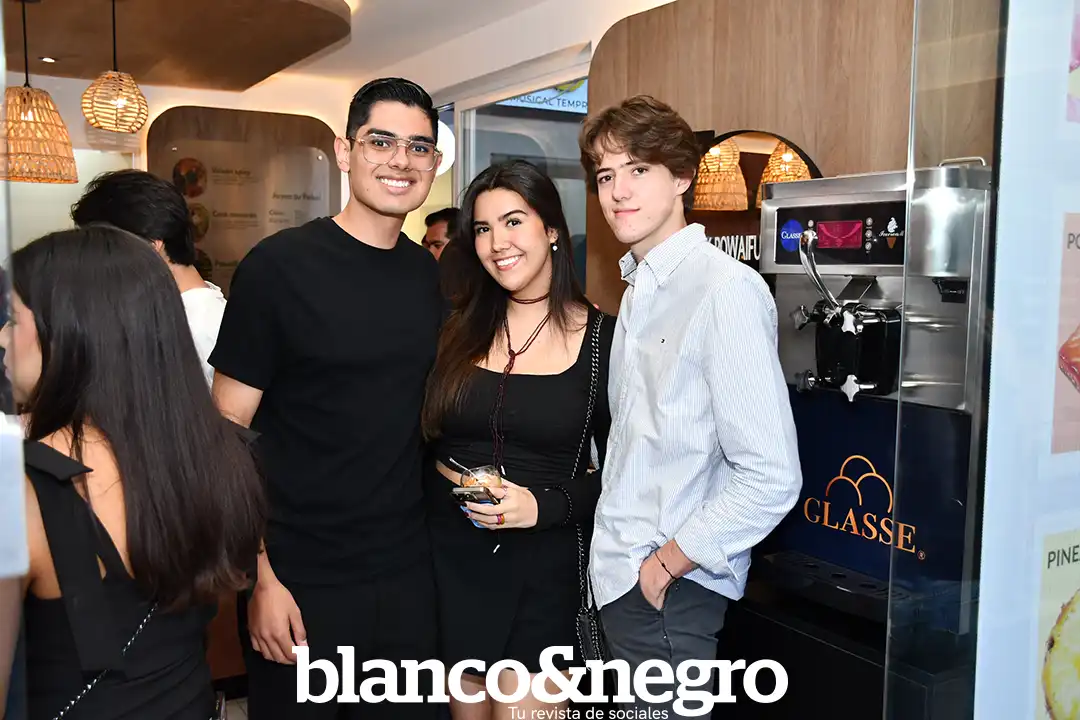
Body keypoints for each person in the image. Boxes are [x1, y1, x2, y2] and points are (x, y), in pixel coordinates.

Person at [209, 77, 445, 720]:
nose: (401, 161)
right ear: (345, 152)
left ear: (433, 164)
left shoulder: (428, 277)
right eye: (381, 142)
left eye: (419, 147)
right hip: (298, 577)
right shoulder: (277, 268)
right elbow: (225, 434)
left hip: (405, 573)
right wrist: (260, 578)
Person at [579, 95, 803, 717]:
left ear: (681, 176)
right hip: (624, 582)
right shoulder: (640, 289)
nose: (618, 191)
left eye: (638, 169)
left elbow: (772, 476)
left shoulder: (724, 290)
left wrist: (666, 565)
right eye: (606, 176)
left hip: (669, 593)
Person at [2, 225, 264, 719]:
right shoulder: (216, 456)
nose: (2, 337)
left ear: (72, 330)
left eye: (11, 318)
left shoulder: (22, 488)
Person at [421, 159, 613, 720]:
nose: (497, 243)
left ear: (551, 229)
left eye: (513, 222)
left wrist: (544, 506)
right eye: (483, 229)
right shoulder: (454, 329)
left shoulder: (603, 341)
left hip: (543, 568)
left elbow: (628, 475)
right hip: (452, 560)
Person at [71, 169, 227, 386]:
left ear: (152, 246)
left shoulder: (199, 327)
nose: (95, 261)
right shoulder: (171, 311)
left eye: (104, 246)